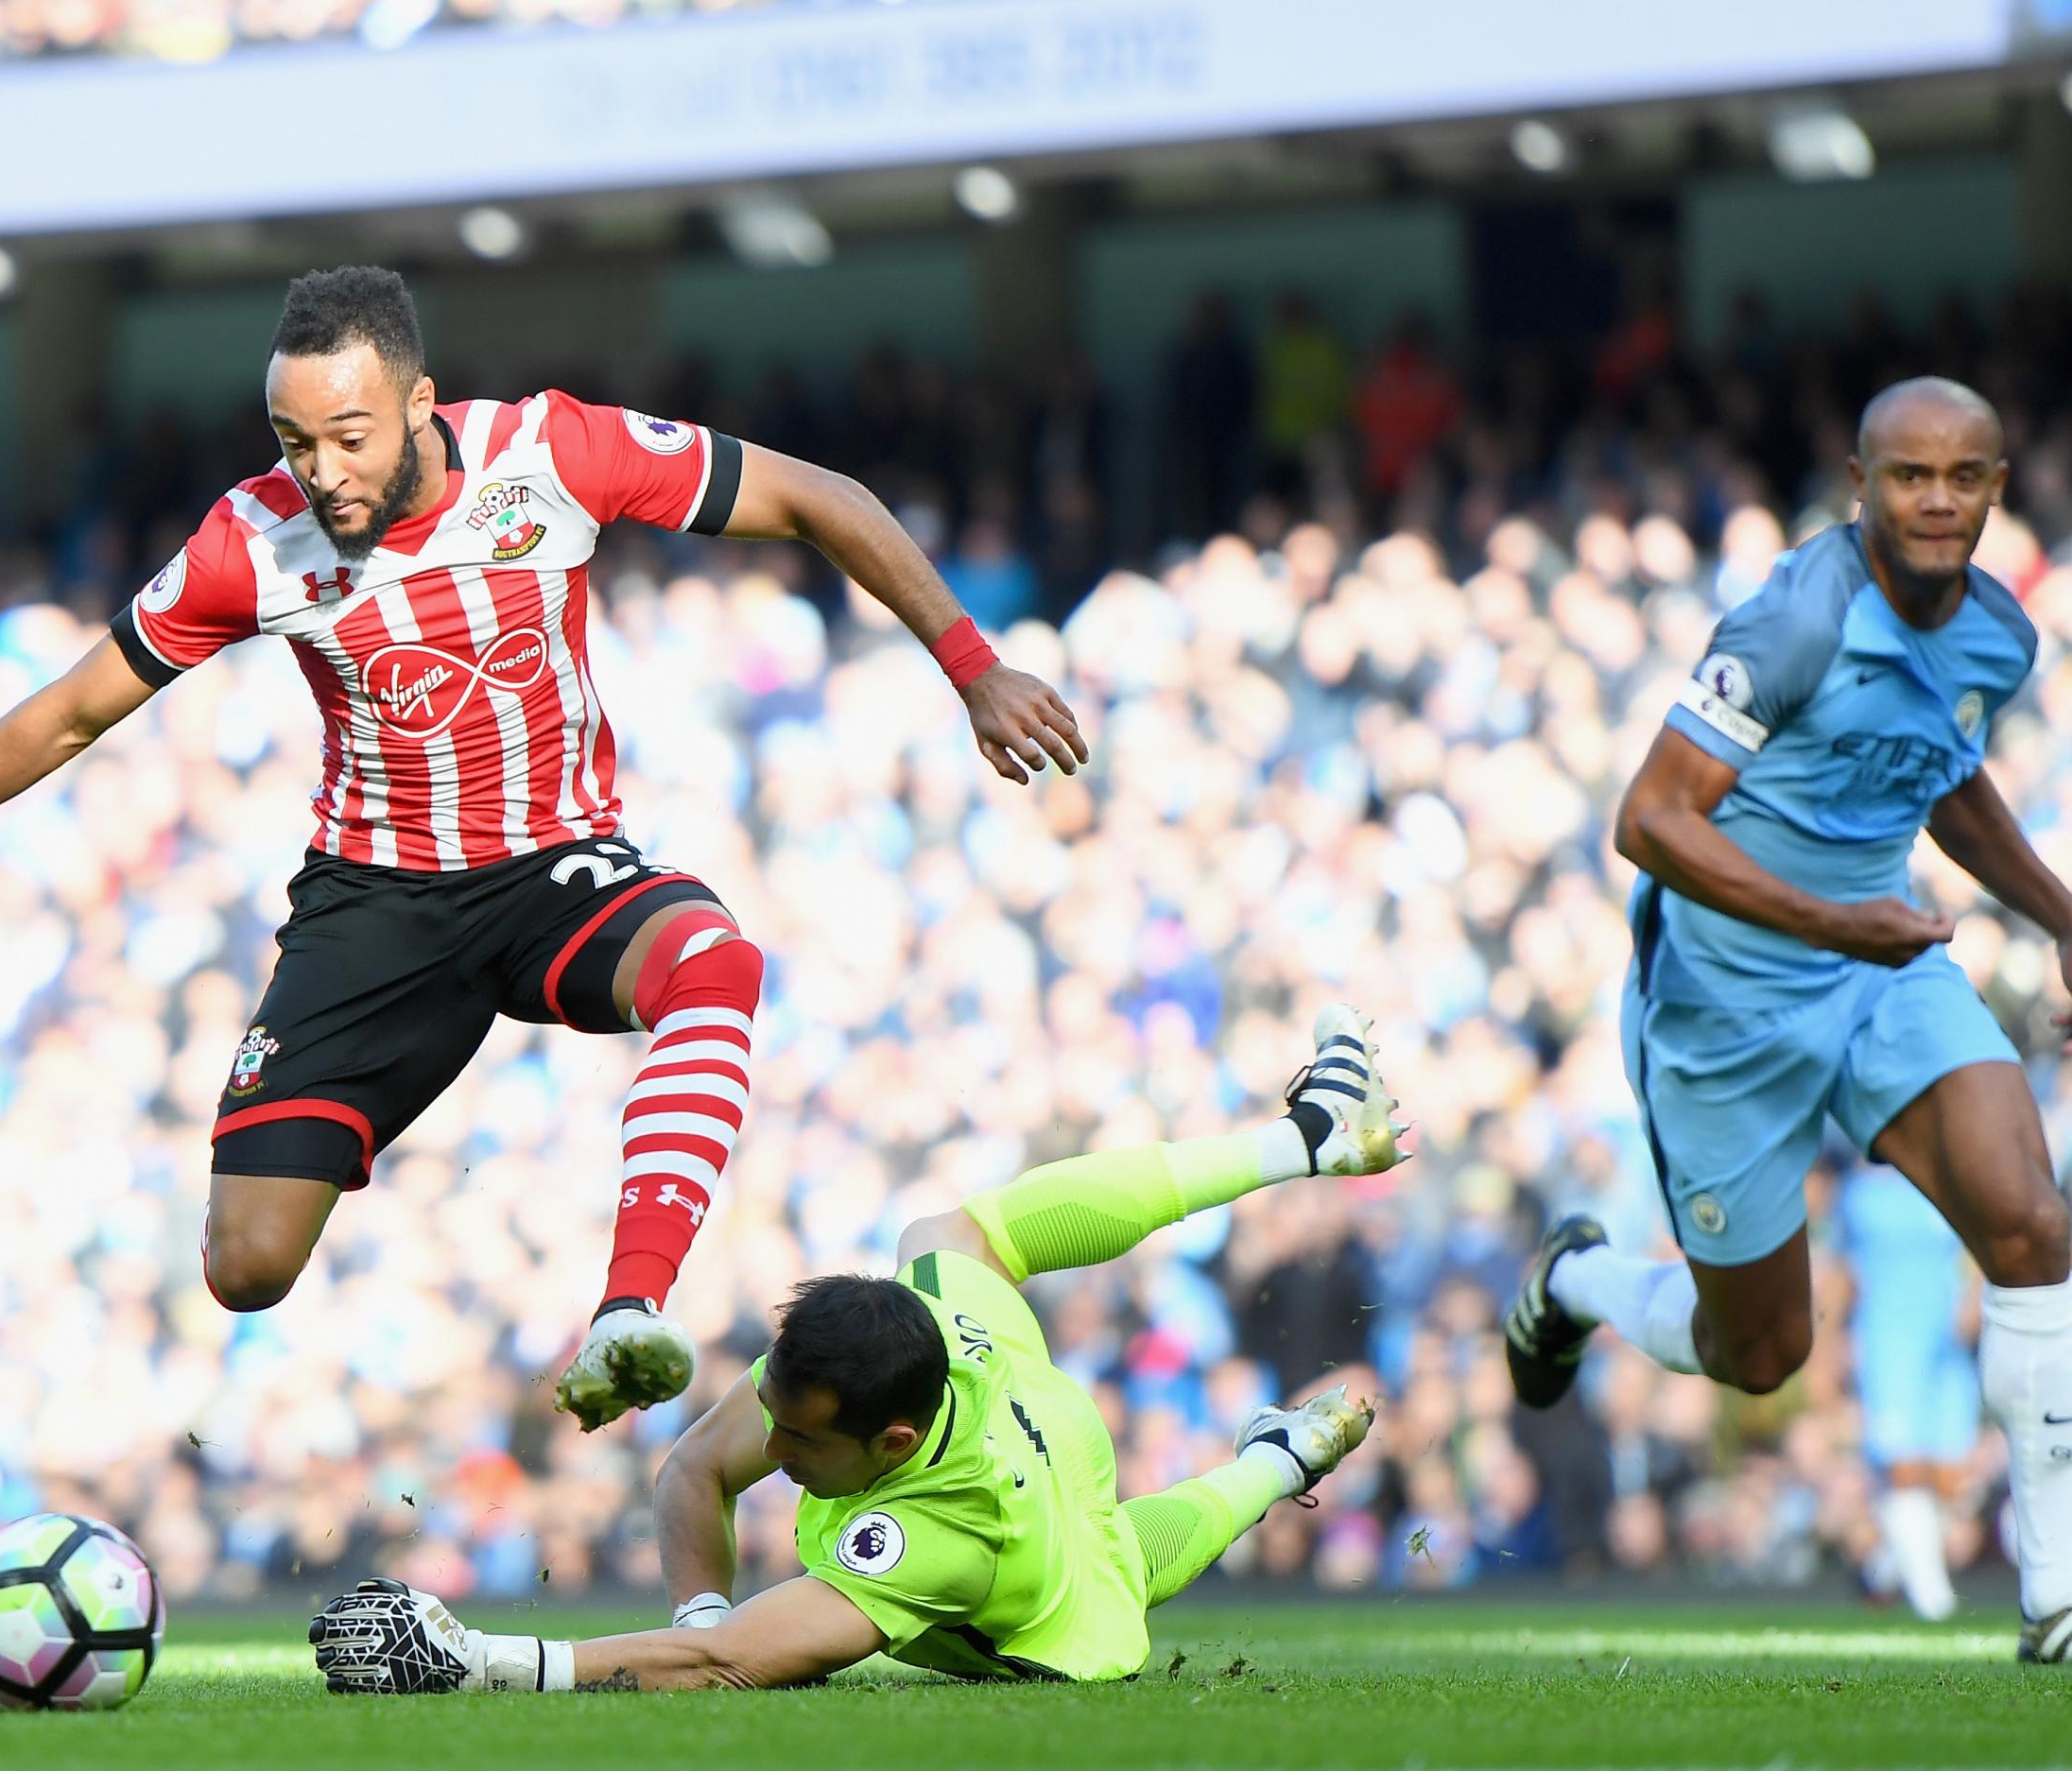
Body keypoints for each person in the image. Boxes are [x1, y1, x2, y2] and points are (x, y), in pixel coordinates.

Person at [0, 267, 1086, 1434]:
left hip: (551, 868)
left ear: (420, 404)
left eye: (349, 435)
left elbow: (819, 495)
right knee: (245, 1266)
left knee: (713, 964)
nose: (324, 471)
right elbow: (74, 706)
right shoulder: (253, 540)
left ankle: (628, 1308)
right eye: (295, 441)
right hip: (376, 906)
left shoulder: (550, 455)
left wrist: (973, 669)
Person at [306, 1004, 1406, 1694]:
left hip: (1046, 1566)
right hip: (1025, 1394)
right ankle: (1302, 1149)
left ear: (886, 1438)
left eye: (796, 1437)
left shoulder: (940, 1537)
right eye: (775, 1409)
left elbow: (733, 1660)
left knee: (1120, 1562)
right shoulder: (901, 1331)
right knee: (946, 1232)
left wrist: (487, 1661)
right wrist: (704, 1608)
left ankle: (1282, 1454)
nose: (766, 1444)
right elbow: (693, 1467)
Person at [1503, 376, 2072, 1663]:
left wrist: (2061, 914)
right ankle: (1579, 1281)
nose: (1937, 499)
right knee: (1758, 1353)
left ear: (1997, 486)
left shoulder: (2001, 637)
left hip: (1885, 962)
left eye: (1964, 475)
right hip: (1726, 999)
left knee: (2032, 1221)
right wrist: (1833, 924)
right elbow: (1648, 819)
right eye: (1909, 475)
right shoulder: (1799, 617)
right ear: (1861, 485)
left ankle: (2057, 1598)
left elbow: (1944, 777)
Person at [1836, 1164, 1977, 1622]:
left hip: (1947, 1342)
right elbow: (1842, 1271)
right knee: (1904, 1466)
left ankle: (1882, 1570)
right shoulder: (1858, 1194)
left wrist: (1975, 1299)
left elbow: (1975, 1252)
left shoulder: (1948, 1183)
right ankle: (1932, 1597)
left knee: (1952, 1478)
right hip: (1888, 1341)